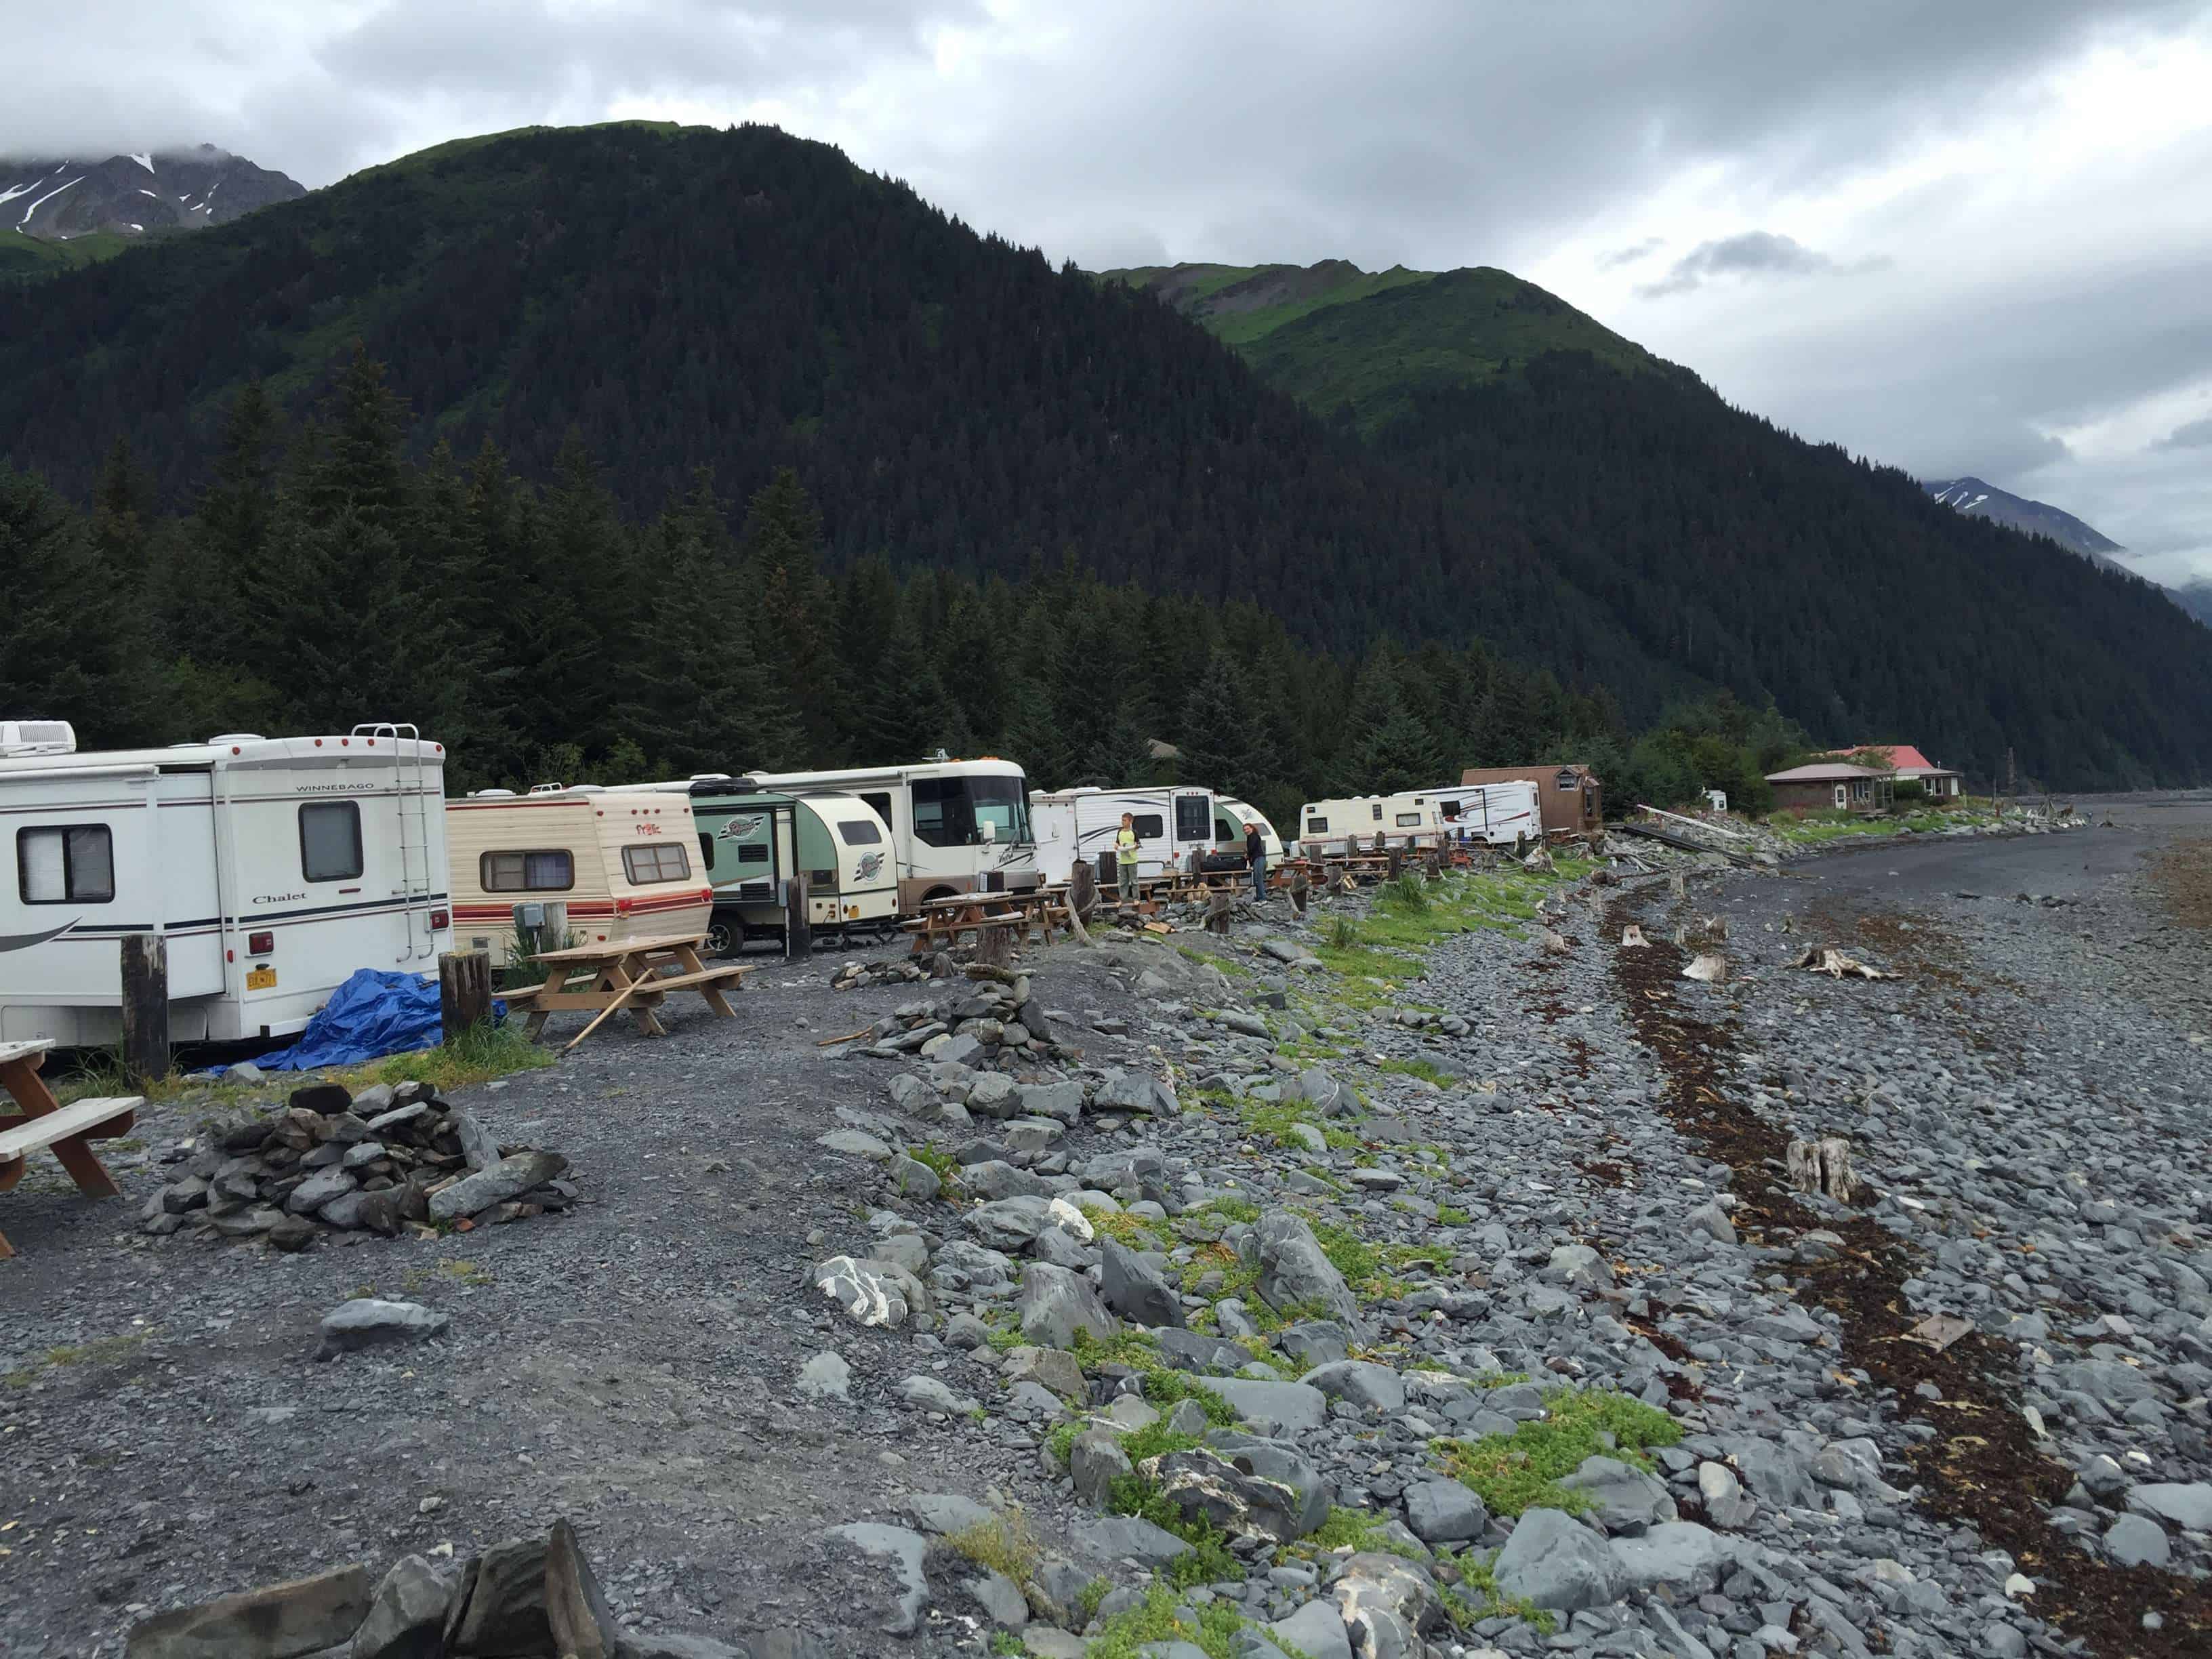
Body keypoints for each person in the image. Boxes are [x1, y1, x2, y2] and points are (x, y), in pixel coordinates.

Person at [1115, 812, 1140, 902]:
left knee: (1134, 881)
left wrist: (1136, 846)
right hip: (1122, 861)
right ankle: (1122, 899)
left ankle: (1136, 899)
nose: (1123, 822)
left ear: (1131, 821)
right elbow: (1117, 842)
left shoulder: (1134, 832)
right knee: (1122, 882)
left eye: (1125, 820)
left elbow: (1138, 844)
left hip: (1132, 861)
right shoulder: (1119, 832)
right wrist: (1116, 845)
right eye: (1122, 820)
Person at [1244, 820, 1267, 902]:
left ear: (1252, 828)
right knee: (1257, 878)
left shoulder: (1254, 836)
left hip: (1259, 858)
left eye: (1248, 829)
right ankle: (1259, 896)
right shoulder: (1250, 837)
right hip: (1256, 859)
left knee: (1259, 878)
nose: (1246, 831)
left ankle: (1263, 897)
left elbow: (1252, 848)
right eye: (1245, 830)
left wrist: (1247, 854)